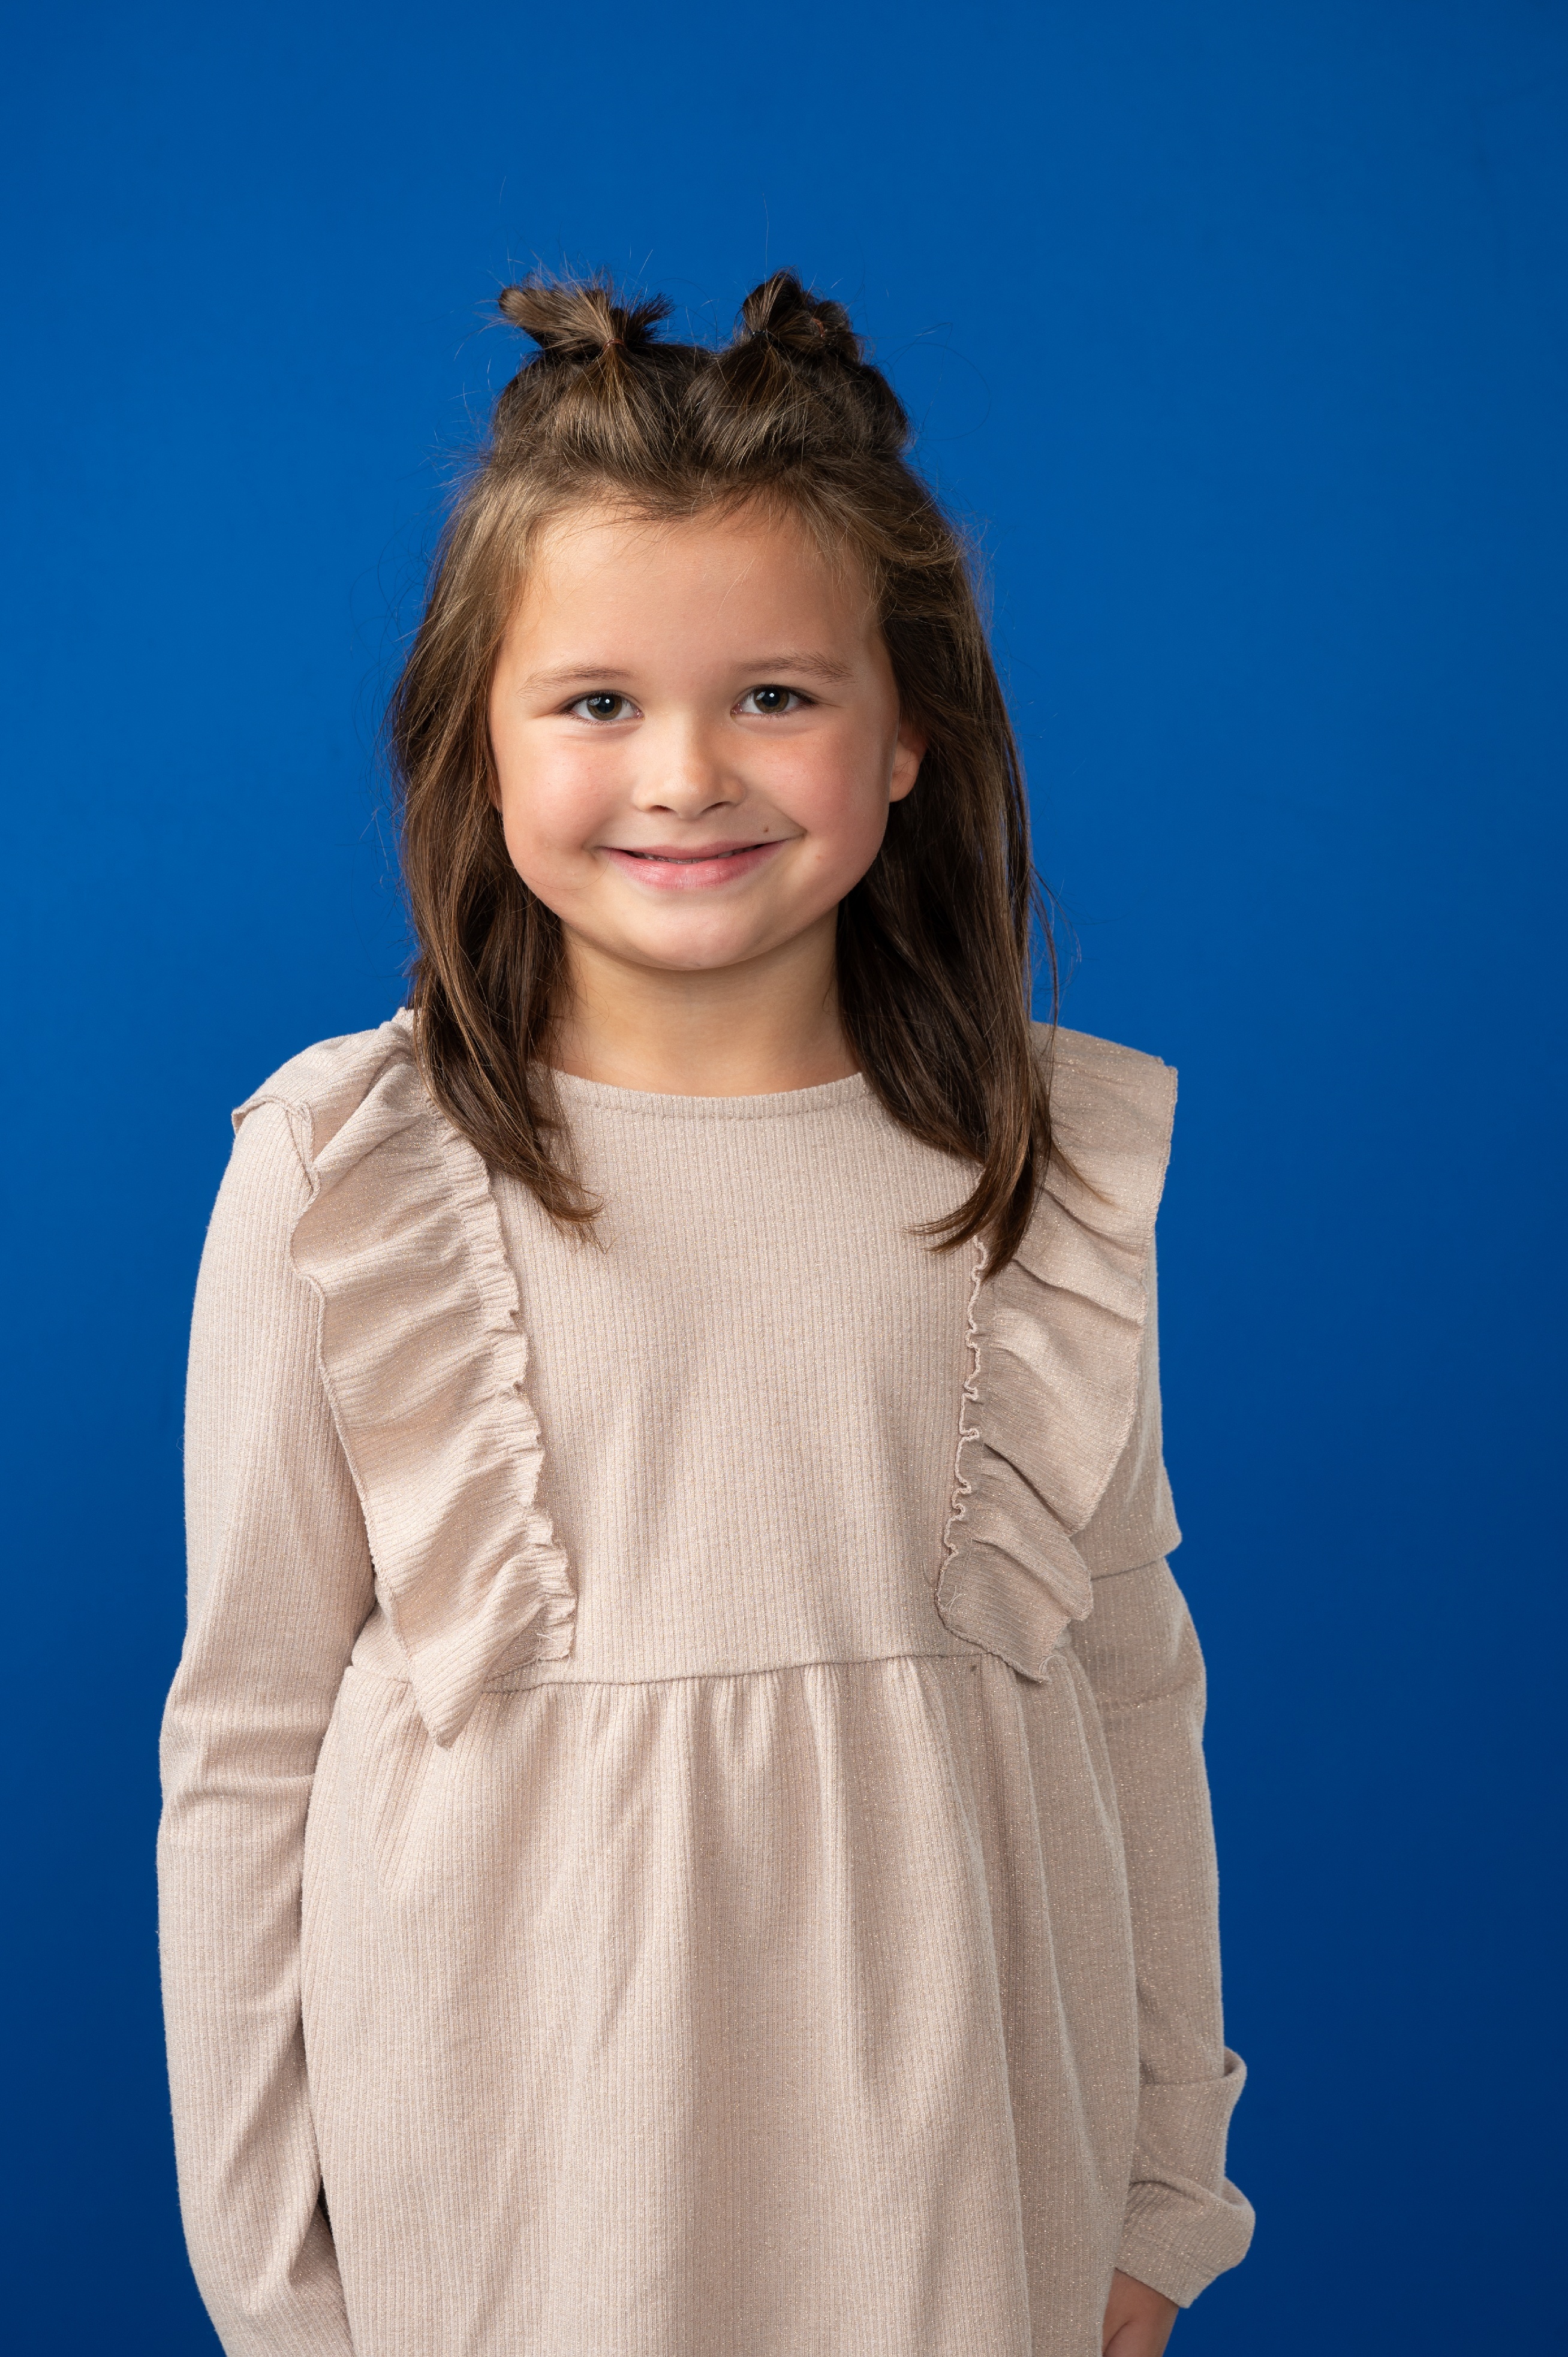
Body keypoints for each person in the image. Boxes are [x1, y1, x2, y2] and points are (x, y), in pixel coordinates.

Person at [157, 267, 1254, 2357]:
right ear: (478, 740)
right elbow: (245, 1744)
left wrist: (1162, 2188)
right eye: (596, 703)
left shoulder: (1037, 1168)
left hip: (958, 2174)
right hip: (510, 2189)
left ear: (908, 729)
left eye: (772, 695)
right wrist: (281, 2297)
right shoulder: (342, 1175)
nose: (685, 773)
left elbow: (1131, 1679)